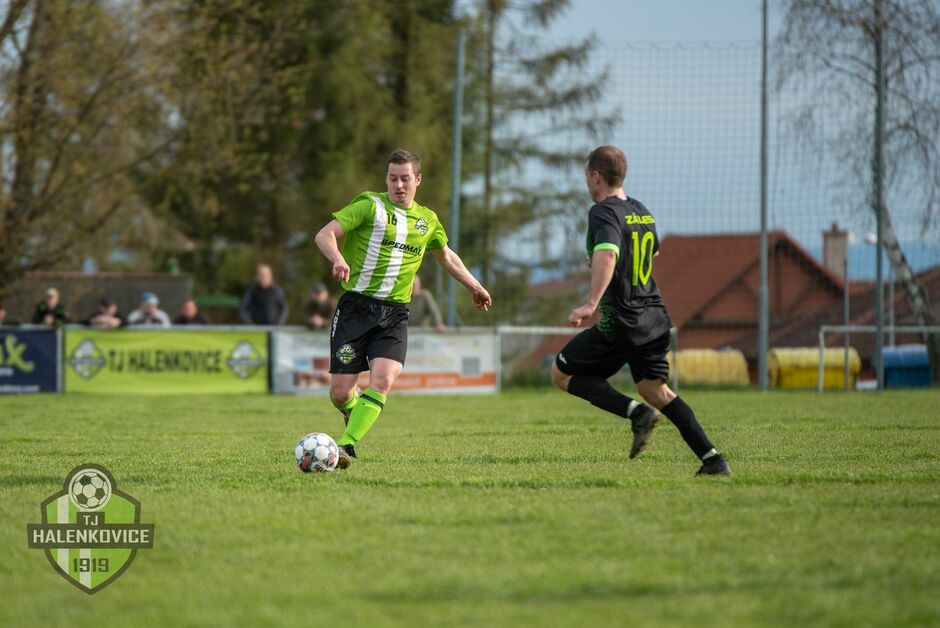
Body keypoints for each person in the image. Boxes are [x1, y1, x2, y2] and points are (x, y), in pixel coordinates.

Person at [550, 145, 730, 476]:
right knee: (653, 389)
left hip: (622, 321)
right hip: (655, 319)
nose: (586, 182)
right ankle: (713, 460)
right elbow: (649, 255)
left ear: (596, 176)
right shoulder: (641, 211)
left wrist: (591, 302)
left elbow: (609, 253)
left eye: (586, 175)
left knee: (562, 373)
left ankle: (637, 414)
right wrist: (604, 260)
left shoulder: (602, 212)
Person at [314, 148, 491, 469]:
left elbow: (446, 256)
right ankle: (354, 412)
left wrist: (474, 286)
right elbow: (324, 235)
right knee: (340, 393)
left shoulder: (428, 220)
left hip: (395, 313)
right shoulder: (370, 206)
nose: (398, 185)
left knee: (383, 381)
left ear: (417, 180)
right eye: (393, 178)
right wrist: (338, 259)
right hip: (356, 308)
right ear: (386, 179)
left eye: (405, 179)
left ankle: (346, 446)